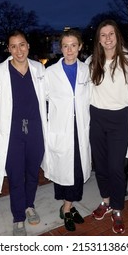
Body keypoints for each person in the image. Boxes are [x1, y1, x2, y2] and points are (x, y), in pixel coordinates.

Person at [88, 19, 128, 234]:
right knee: (100, 166)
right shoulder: (92, 60)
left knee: (116, 167)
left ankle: (118, 208)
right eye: (103, 34)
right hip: (97, 117)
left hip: (120, 118)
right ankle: (106, 200)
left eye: (111, 34)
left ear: (117, 36)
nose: (108, 38)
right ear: (98, 39)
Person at [0, 30, 47, 236]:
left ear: (28, 46)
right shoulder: (0, 71)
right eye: (14, 46)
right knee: (16, 177)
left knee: (32, 173)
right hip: (12, 133)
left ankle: (29, 205)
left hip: (35, 130)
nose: (19, 50)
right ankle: (18, 217)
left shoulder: (38, 68)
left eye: (22, 45)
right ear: (8, 49)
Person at [42, 29, 91, 231]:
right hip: (60, 129)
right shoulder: (50, 73)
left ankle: (67, 206)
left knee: (77, 171)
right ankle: (67, 207)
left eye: (73, 45)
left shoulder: (86, 70)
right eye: (65, 45)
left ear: (80, 47)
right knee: (63, 171)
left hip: (80, 128)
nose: (69, 50)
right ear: (60, 48)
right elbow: (41, 100)